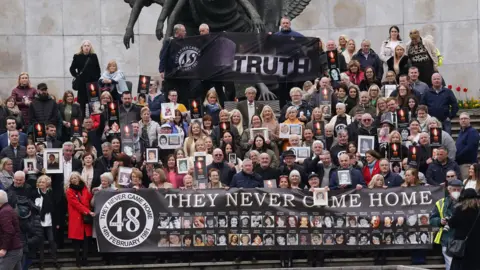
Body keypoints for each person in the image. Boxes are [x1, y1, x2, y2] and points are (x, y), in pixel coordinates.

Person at [430, 179, 463, 270]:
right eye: (454, 189)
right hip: (447, 239)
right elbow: (432, 219)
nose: (456, 192)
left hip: (462, 239)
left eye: (458, 190)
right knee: (450, 266)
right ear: (449, 189)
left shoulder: (466, 203)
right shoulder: (441, 203)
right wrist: (440, 221)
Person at [65, 173, 94, 267]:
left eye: (75, 178)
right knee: (77, 241)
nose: (73, 179)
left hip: (85, 219)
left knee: (86, 241)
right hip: (76, 218)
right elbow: (76, 204)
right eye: (72, 178)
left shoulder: (85, 189)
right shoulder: (69, 191)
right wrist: (88, 211)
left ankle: (85, 259)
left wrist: (95, 190)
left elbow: (90, 199)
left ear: (79, 178)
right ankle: (78, 260)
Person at [449, 189, 480, 270]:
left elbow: (452, 224)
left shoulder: (459, 210)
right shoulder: (478, 211)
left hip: (461, 245)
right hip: (476, 245)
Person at [33, 175, 58, 269]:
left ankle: (55, 260)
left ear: (47, 183)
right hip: (39, 221)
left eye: (43, 182)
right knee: (41, 243)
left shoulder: (51, 193)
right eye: (39, 182)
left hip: (49, 220)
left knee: (51, 241)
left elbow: (54, 207)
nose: (41, 184)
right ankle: (41, 262)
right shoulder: (35, 193)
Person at [69, 40, 101, 112]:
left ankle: (94, 121)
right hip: (82, 83)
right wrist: (77, 76)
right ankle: (82, 121)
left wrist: (96, 80)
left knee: (94, 104)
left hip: (92, 84)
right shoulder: (77, 56)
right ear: (82, 47)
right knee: (82, 104)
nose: (86, 47)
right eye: (85, 46)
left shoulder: (94, 56)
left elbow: (98, 69)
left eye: (88, 46)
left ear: (90, 47)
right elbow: (72, 69)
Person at [0, 189, 23, 270]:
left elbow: (8, 231)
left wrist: (4, 248)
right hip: (15, 248)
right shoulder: (7, 209)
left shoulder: (4, 212)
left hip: (11, 250)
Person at [456, 112, 480, 179]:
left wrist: (457, 157)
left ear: (469, 120)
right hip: (460, 163)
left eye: (465, 118)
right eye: (461, 119)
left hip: (468, 165)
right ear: (459, 121)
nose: (463, 120)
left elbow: (470, 148)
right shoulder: (461, 132)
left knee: (467, 184)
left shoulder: (473, 132)